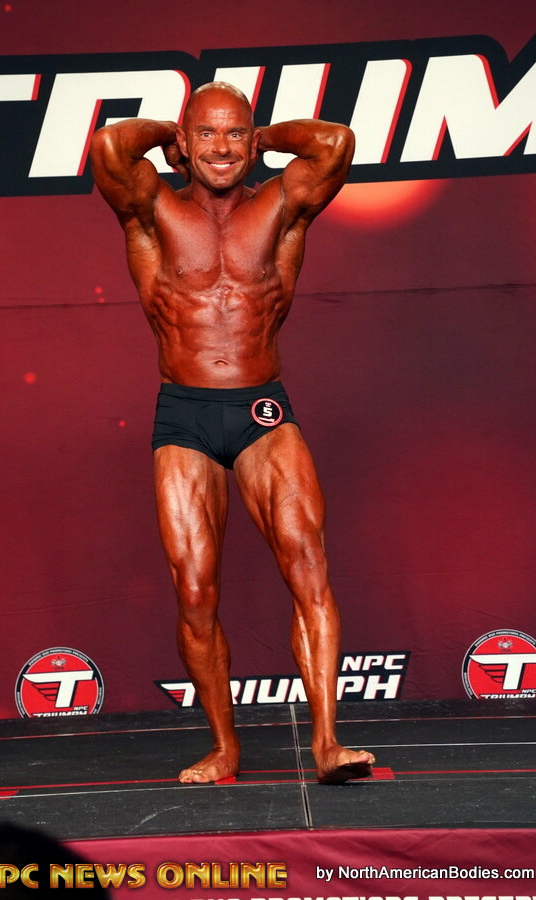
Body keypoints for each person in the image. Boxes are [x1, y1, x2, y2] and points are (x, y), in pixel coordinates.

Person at [90, 82, 375, 784]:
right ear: (184, 144)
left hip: (261, 411)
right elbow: (110, 146)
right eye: (207, 134)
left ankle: (328, 743)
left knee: (308, 565)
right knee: (194, 591)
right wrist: (172, 133)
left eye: (235, 134)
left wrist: (263, 139)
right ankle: (224, 748)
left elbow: (336, 142)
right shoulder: (152, 209)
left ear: (252, 141)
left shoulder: (281, 205)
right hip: (184, 414)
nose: (222, 147)